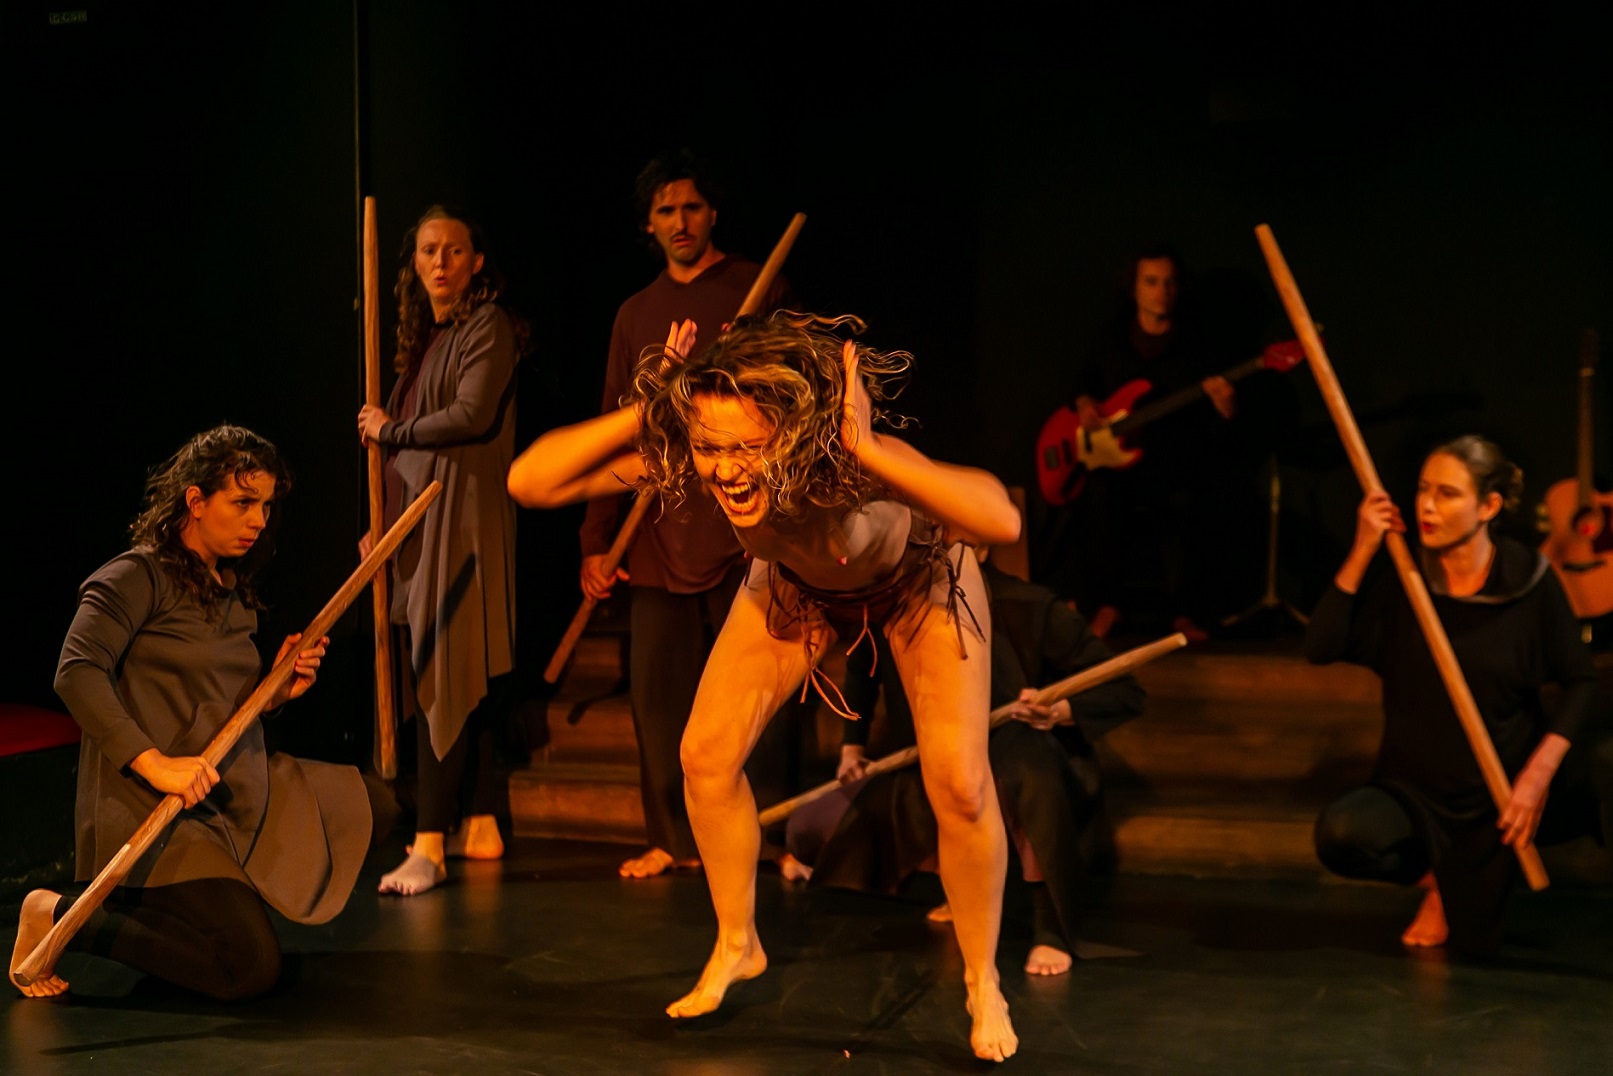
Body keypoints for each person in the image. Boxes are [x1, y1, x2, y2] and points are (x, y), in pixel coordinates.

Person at [509, 313, 1023, 1061]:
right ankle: (737, 942)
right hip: (798, 589)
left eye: (748, 448)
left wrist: (865, 445)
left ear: (791, 433)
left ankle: (982, 978)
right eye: (710, 448)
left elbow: (1000, 519)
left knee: (961, 784)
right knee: (704, 757)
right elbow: (530, 481)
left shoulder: (843, 457)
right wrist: (650, 411)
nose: (725, 471)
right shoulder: (694, 451)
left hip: (918, 581)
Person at [11, 426, 371, 1001]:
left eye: (266, 506)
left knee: (365, 804)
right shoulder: (137, 575)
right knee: (248, 968)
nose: (259, 520)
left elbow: (214, 706)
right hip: (154, 807)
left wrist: (274, 691)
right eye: (243, 502)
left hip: (223, 795)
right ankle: (58, 915)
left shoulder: (229, 588)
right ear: (196, 501)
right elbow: (76, 671)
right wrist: (153, 763)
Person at [1307, 435, 1611, 954]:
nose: (1426, 506)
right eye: (1423, 490)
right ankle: (1445, 885)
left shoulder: (1530, 581)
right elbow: (1320, 647)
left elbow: (1581, 680)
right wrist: (1363, 548)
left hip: (1504, 793)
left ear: (1488, 507)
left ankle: (1470, 886)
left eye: (1446, 494)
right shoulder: (1407, 577)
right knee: (1342, 835)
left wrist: (1537, 776)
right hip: (1418, 790)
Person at [577, 150, 792, 879]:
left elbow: (793, 404)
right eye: (665, 210)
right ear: (648, 223)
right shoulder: (634, 314)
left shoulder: (756, 288)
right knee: (659, 701)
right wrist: (596, 538)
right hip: (658, 530)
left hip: (744, 524)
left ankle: (772, 833)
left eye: (691, 207)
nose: (679, 221)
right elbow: (613, 430)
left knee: (759, 692)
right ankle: (671, 839)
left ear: (713, 213)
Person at [782, 547, 1146, 976]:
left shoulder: (1029, 604)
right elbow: (864, 669)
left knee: (1029, 776)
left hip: (1020, 755)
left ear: (982, 548)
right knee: (805, 828)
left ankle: (1050, 929)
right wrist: (852, 748)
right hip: (927, 760)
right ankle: (962, 889)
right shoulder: (895, 606)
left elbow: (1122, 688)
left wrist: (1060, 710)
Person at [357, 205, 525, 896]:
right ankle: (479, 824)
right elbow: (410, 458)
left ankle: (428, 844)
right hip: (422, 523)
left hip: (462, 520)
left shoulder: (487, 326)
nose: (440, 262)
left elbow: (470, 416)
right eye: (428, 251)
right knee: (461, 669)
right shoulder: (429, 340)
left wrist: (389, 429)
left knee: (444, 666)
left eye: (454, 251)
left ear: (475, 261)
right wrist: (383, 529)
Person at [1051, 248, 1242, 640]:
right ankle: (1105, 606)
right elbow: (1081, 385)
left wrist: (1226, 408)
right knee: (1097, 497)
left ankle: (1184, 614)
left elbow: (1216, 427)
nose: (1161, 292)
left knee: (1192, 501)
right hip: (1115, 463)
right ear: (1133, 288)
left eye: (1169, 283)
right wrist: (1085, 404)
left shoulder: (1197, 346)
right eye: (1151, 282)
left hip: (1173, 462)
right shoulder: (1111, 338)